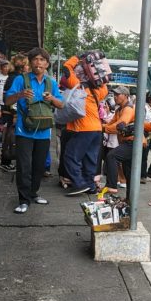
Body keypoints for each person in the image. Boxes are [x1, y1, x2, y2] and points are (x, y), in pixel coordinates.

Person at [4, 47, 64, 214]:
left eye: (42, 60)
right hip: (24, 130)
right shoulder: (20, 79)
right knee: (24, 166)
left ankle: (33, 193)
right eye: (35, 59)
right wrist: (21, 95)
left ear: (47, 64)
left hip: (44, 132)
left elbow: (61, 104)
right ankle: (23, 200)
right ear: (30, 62)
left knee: (39, 166)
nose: (39, 63)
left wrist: (51, 98)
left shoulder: (51, 82)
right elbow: (7, 100)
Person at [62, 55, 108, 196]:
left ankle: (79, 183)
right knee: (90, 159)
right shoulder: (98, 90)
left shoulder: (78, 85)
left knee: (70, 156)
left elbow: (66, 67)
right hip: (97, 130)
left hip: (83, 129)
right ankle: (91, 186)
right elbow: (103, 82)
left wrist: (77, 57)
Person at [103, 86, 136, 198]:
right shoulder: (119, 110)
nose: (115, 97)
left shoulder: (128, 109)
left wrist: (103, 128)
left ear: (126, 96)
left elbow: (119, 126)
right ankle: (129, 200)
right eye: (114, 95)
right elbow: (110, 124)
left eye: (118, 95)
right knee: (129, 175)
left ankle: (112, 185)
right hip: (127, 143)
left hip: (133, 143)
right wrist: (100, 127)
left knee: (112, 156)